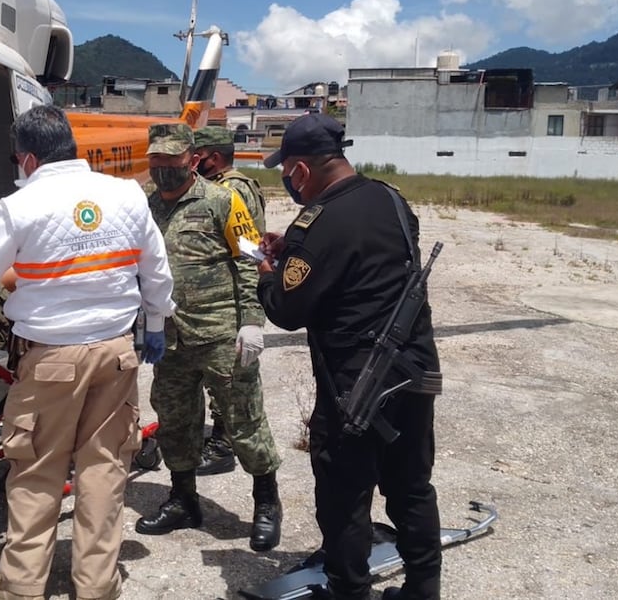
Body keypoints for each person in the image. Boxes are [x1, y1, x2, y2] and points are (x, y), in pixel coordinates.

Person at [0, 104, 175, 600]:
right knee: (105, 468)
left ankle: (20, 587)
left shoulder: (21, 205)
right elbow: (157, 269)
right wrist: (158, 322)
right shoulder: (125, 193)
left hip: (51, 358)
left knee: (37, 468)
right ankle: (97, 585)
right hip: (117, 352)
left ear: (29, 158)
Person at [255, 113, 443, 600]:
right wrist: (294, 251)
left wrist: (269, 271)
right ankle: (424, 588)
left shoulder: (317, 221)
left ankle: (348, 590)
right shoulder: (390, 198)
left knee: (344, 497)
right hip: (415, 371)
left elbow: (286, 309)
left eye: (287, 172)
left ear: (299, 171)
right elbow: (364, 263)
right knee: (411, 485)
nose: (288, 181)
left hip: (355, 388)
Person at [135, 123, 283, 552]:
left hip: (221, 333)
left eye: (172, 160)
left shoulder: (223, 200)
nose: (163, 168)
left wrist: (252, 320)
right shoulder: (146, 208)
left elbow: (252, 257)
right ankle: (183, 499)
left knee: (243, 419)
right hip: (171, 337)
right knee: (176, 421)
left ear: (192, 159)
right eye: (156, 160)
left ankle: (266, 503)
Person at [191, 125, 268, 476]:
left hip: (231, 294)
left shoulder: (230, 189)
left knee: (229, 378)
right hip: (231, 291)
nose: (194, 164)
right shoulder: (238, 184)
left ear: (215, 158)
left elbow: (248, 248)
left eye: (199, 158)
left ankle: (224, 445)